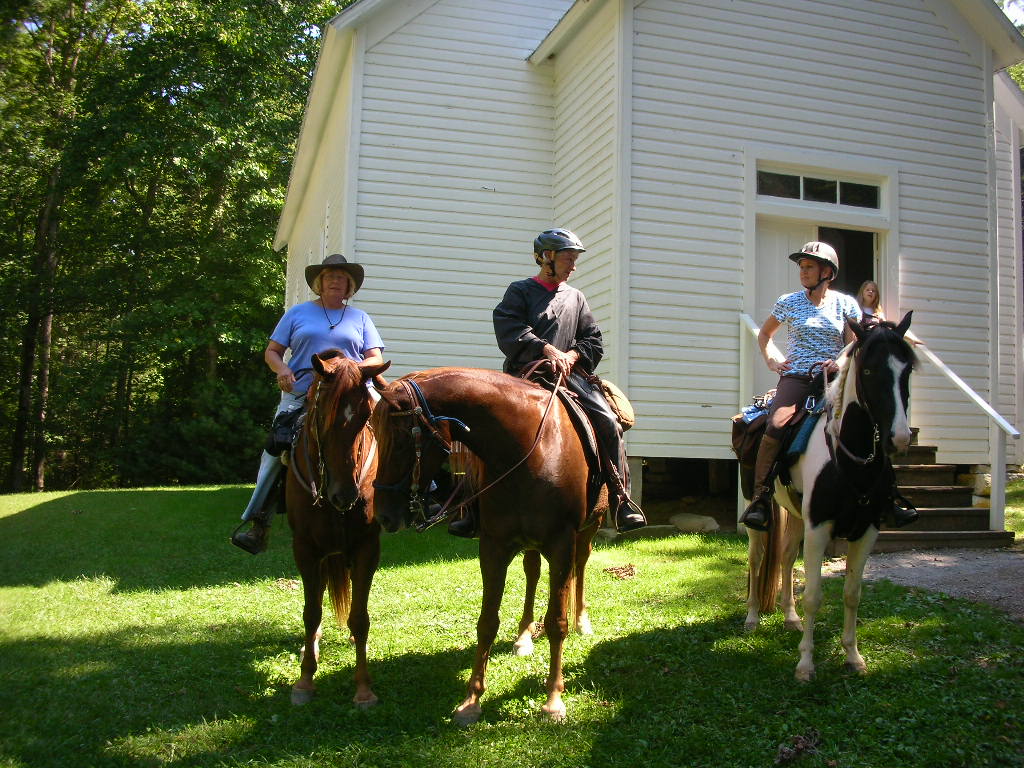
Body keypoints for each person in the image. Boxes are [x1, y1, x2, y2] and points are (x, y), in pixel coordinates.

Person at [467, 227, 646, 535]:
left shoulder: (576, 298)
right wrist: (546, 348)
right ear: (546, 257)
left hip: (569, 377)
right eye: (568, 258)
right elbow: (508, 327)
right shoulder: (519, 290)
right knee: (481, 426)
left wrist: (573, 356)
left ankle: (620, 499)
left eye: (576, 259)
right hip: (524, 375)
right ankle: (470, 508)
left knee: (608, 421)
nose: (573, 266)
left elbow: (593, 339)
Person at [739, 242, 918, 531]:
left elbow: (852, 342)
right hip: (797, 377)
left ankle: (889, 498)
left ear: (827, 272)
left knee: (872, 423)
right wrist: (773, 360)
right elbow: (765, 335)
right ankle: (761, 499)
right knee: (776, 424)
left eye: (809, 267)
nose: (803, 272)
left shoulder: (846, 304)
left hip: (836, 379)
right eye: (801, 267)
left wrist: (838, 361)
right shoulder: (788, 301)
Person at [230, 253, 385, 554]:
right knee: (275, 450)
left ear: (349, 286)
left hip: (351, 393)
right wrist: (282, 370)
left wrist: (348, 370)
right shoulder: (297, 314)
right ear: (319, 283)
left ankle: (419, 497)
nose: (335, 281)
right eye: (329, 277)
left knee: (395, 422)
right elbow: (272, 352)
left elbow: (375, 357)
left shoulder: (360, 318)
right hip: (303, 392)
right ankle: (258, 523)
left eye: (341, 278)